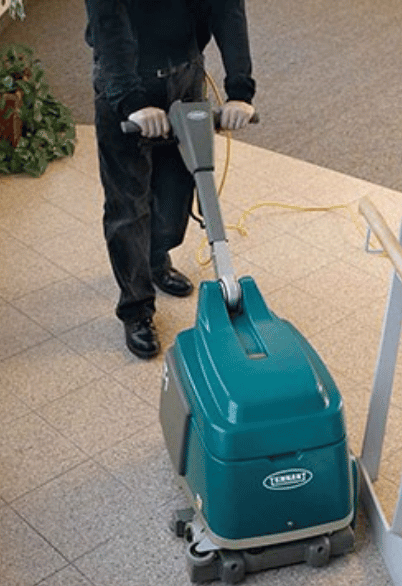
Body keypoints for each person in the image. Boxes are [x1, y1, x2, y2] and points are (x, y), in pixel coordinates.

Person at [84, 0, 256, 358]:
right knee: (128, 203)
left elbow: (228, 10)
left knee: (176, 193)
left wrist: (240, 90)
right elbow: (108, 21)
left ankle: (156, 258)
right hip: (126, 77)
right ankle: (137, 309)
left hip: (185, 75)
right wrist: (130, 100)